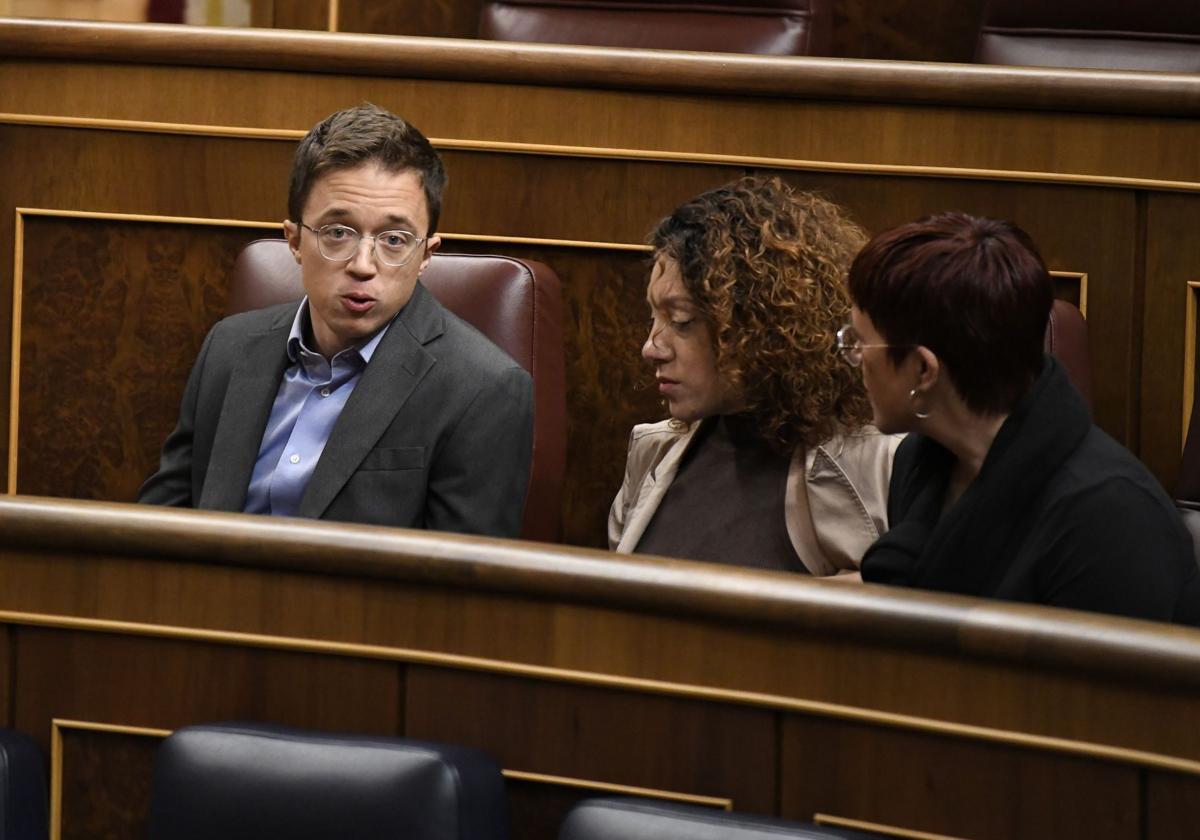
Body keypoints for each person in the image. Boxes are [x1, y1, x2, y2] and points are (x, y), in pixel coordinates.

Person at [139, 104, 532, 537]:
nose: (363, 265)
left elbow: (463, 591)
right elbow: (159, 529)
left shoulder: (484, 390)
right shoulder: (229, 347)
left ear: (426, 255)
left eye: (395, 240)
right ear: (294, 241)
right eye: (338, 232)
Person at [842, 211, 1200, 623]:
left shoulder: (1110, 520)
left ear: (924, 371)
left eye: (860, 343)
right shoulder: (921, 461)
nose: (853, 359)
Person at [608, 176, 899, 575]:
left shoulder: (882, 465)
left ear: (757, 328)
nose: (650, 347)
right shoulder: (650, 451)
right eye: (653, 317)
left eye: (682, 321)